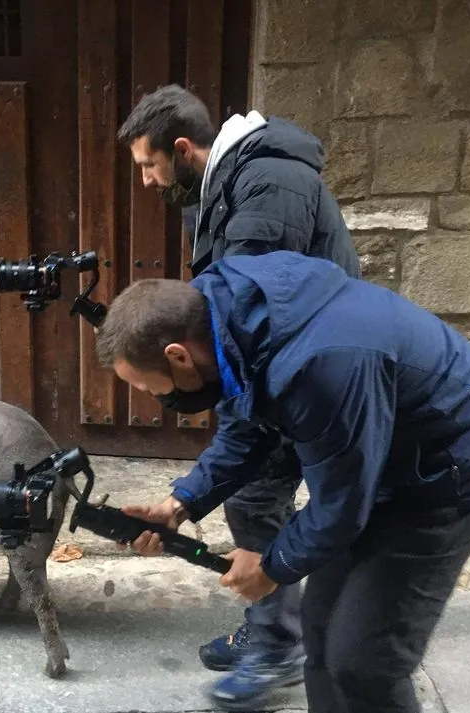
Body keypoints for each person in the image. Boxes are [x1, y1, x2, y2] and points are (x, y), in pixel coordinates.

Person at [93, 250, 470, 713]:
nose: (157, 400)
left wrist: (270, 567)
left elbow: (341, 505)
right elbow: (246, 426)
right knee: (320, 628)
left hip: (449, 473)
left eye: (150, 388)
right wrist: (180, 503)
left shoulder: (319, 363)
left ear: (178, 355)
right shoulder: (225, 320)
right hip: (379, 459)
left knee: (365, 662)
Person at [116, 84, 360, 708]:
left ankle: (280, 644)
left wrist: (217, 394)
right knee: (250, 494)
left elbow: (253, 313)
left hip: (304, 374)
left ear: (182, 148)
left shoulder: (267, 185)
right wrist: (182, 501)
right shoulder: (217, 186)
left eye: (148, 164)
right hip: (278, 367)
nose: (145, 181)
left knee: (257, 499)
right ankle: (270, 624)